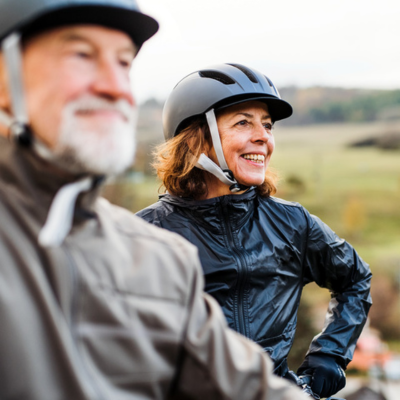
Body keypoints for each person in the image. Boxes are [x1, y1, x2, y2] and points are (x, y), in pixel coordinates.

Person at [0, 1, 310, 399]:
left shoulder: (159, 260)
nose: (115, 86)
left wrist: (325, 362)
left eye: (124, 63)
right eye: (81, 55)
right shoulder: (158, 231)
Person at [137, 63, 373, 399]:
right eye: (243, 122)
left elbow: (355, 278)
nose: (263, 137)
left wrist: (329, 356)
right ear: (197, 139)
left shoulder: (294, 224)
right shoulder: (143, 236)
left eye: (267, 125)